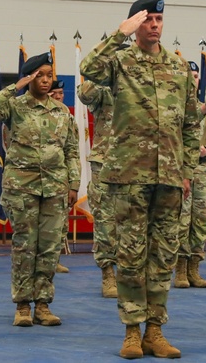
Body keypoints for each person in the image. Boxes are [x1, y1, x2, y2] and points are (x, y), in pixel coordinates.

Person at [81, 0, 199, 359]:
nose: (154, 25)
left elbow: (191, 125)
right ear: (136, 23)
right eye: (148, 20)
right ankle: (132, 332)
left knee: (163, 257)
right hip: (128, 176)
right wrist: (120, 33)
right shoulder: (119, 62)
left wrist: (188, 171)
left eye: (159, 19)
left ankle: (156, 332)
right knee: (131, 257)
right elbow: (89, 69)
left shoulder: (179, 67)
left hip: (169, 180)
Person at [0, 53, 79, 328]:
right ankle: (23, 305)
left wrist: (74, 184)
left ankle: (43, 304)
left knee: (49, 247)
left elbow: (70, 150)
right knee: (25, 246)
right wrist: (16, 86)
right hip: (21, 188)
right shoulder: (15, 106)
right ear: (30, 77)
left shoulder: (62, 112)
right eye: (40, 75)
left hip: (55, 188)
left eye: (49, 75)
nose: (46, 80)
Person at [77, 79, 118, 298]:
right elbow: (84, 95)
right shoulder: (104, 89)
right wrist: (103, 73)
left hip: (138, 164)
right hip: (106, 163)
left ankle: (132, 275)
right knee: (105, 221)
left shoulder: (144, 85)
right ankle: (108, 274)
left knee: (137, 223)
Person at [173, 61, 206, 290]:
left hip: (203, 172)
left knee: (200, 220)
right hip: (180, 171)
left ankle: (194, 268)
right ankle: (179, 269)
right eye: (190, 75)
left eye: (197, 75)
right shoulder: (175, 109)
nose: (194, 78)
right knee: (181, 220)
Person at [48, 79, 71, 275]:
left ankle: (54, 260)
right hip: (36, 176)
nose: (58, 97)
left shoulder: (66, 114)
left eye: (61, 93)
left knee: (59, 222)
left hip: (60, 175)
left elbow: (72, 149)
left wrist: (74, 181)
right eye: (53, 93)